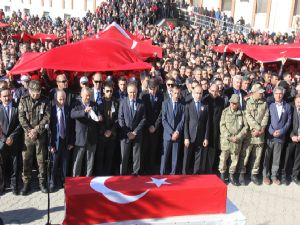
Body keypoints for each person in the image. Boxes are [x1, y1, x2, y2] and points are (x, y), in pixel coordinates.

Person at [18, 80, 50, 195]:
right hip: (27, 137)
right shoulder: (23, 100)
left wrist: (36, 130)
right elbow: (21, 117)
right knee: (26, 159)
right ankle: (26, 184)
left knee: (41, 160)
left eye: (38, 92)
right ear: (29, 91)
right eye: (34, 93)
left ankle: (42, 182)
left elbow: (47, 117)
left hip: (40, 136)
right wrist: (30, 131)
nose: (36, 95)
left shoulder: (45, 100)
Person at [238, 84, 269, 185]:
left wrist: (261, 129)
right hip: (250, 134)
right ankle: (241, 174)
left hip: (260, 135)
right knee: (245, 155)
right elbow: (247, 116)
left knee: (257, 156)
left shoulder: (264, 102)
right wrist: (256, 128)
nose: (262, 93)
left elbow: (266, 115)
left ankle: (254, 174)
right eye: (260, 92)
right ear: (254, 92)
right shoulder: (247, 102)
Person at [263, 86, 292, 185]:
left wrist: (282, 131)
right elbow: (266, 121)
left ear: (283, 94)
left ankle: (274, 175)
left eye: (280, 93)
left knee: (277, 157)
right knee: (267, 157)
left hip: (280, 136)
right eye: (276, 93)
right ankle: (266, 175)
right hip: (270, 136)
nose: (278, 95)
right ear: (274, 95)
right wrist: (271, 131)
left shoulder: (287, 106)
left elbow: (288, 121)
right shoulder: (269, 105)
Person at [71, 87, 101, 177]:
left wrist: (99, 116)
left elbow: (98, 113)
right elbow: (72, 114)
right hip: (80, 138)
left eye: (89, 95)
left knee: (90, 161)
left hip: (92, 138)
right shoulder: (76, 104)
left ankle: (88, 181)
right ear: (81, 95)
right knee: (77, 161)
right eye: (86, 96)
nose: (88, 97)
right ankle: (75, 181)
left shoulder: (94, 104)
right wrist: (84, 111)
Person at [219, 94, 248, 186]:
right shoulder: (225, 112)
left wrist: (238, 137)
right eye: (231, 103)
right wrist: (229, 136)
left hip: (236, 141)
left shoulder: (242, 113)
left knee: (234, 159)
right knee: (223, 158)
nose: (233, 105)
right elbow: (222, 126)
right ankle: (223, 175)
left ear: (238, 104)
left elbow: (245, 127)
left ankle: (231, 175)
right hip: (226, 141)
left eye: (235, 103)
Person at [118, 82, 146, 175]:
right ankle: (122, 175)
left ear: (137, 92)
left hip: (137, 135)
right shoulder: (123, 102)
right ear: (127, 92)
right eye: (130, 92)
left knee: (136, 156)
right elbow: (120, 119)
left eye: (134, 92)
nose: (132, 94)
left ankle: (136, 173)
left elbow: (143, 119)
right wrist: (128, 133)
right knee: (124, 157)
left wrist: (135, 132)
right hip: (125, 135)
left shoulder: (141, 103)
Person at [49, 90, 74, 192]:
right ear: (55, 99)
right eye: (60, 99)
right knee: (54, 163)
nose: (62, 101)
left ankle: (64, 181)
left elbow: (72, 127)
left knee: (65, 162)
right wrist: (50, 145)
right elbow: (50, 129)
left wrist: (71, 142)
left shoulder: (68, 110)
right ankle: (52, 182)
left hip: (66, 140)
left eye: (64, 99)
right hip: (55, 141)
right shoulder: (51, 111)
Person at [183, 85, 209, 174]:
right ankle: (184, 174)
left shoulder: (205, 106)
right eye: (197, 93)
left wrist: (206, 138)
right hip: (190, 136)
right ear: (193, 94)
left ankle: (195, 174)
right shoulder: (188, 106)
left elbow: (207, 123)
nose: (198, 95)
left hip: (200, 136)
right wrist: (186, 137)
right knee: (187, 157)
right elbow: (186, 122)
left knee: (198, 157)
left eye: (200, 93)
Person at [0, 88, 22, 195]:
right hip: (2, 141)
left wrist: (12, 137)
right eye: (4, 96)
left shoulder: (16, 108)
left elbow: (19, 124)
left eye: (8, 95)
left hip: (14, 141)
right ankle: (3, 185)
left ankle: (14, 185)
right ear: (0, 97)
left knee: (14, 164)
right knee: (2, 164)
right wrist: (4, 139)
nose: (6, 98)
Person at [161, 85, 185, 175]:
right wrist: (172, 132)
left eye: (178, 93)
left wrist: (177, 132)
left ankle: (173, 174)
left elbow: (182, 120)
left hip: (177, 135)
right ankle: (162, 174)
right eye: (175, 93)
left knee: (175, 156)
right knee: (165, 156)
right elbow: (164, 120)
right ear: (171, 92)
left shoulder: (182, 105)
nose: (176, 95)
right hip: (168, 134)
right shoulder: (165, 103)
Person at [141, 78, 163, 174]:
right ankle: (142, 169)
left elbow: (161, 113)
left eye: (154, 88)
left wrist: (155, 126)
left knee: (153, 149)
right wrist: (149, 125)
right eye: (150, 88)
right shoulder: (144, 96)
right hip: (146, 128)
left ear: (157, 87)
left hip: (156, 128)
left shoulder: (161, 96)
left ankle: (151, 169)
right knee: (144, 148)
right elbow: (143, 113)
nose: (152, 91)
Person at [203, 83, 225, 173]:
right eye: (212, 91)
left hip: (217, 129)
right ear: (209, 90)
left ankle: (212, 169)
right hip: (206, 129)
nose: (214, 93)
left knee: (214, 150)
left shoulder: (221, 100)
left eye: (216, 91)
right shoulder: (205, 100)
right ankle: (204, 170)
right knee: (205, 150)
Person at [99, 82, 119, 175]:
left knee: (110, 157)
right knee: (101, 156)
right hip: (102, 134)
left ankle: (108, 175)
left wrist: (111, 131)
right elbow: (98, 119)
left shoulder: (116, 102)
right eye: (107, 91)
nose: (109, 93)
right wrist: (104, 131)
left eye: (111, 91)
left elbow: (118, 118)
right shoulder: (99, 102)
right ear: (103, 91)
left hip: (112, 134)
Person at [282, 94, 300, 185]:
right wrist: (292, 135)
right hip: (291, 138)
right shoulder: (291, 109)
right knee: (287, 157)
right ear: (295, 101)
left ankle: (295, 175)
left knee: (298, 158)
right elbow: (287, 124)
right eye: (298, 102)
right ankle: (284, 176)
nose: (299, 104)